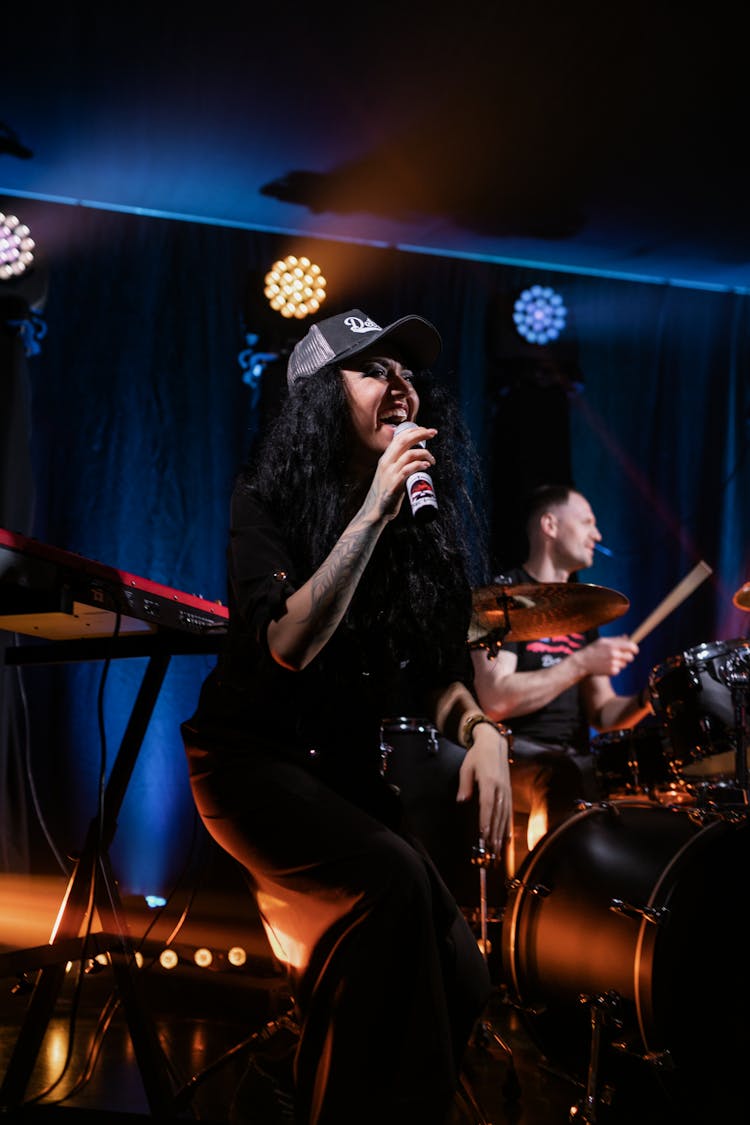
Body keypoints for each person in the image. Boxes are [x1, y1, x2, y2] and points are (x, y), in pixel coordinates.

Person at [180, 307, 512, 1125]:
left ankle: (315, 1089)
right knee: (388, 890)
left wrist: (483, 732)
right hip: (250, 768)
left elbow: (435, 681)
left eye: (407, 371)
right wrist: (370, 513)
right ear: (322, 399)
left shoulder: (414, 527)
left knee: (462, 976)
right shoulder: (267, 498)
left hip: (341, 776)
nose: (400, 384)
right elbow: (288, 643)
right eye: (374, 370)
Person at [470, 483, 653, 868]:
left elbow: (602, 713)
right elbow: (496, 700)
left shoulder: (582, 610)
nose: (598, 535)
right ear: (549, 525)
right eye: (587, 522)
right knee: (560, 775)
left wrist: (649, 697)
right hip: (514, 751)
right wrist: (582, 662)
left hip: (573, 755)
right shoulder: (501, 601)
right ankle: (544, 901)